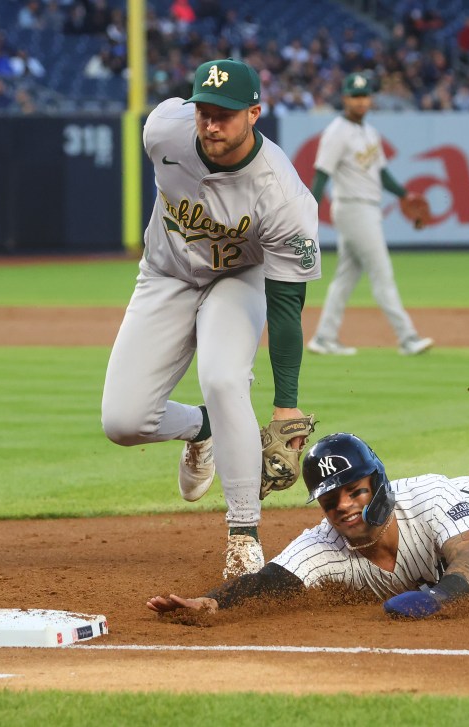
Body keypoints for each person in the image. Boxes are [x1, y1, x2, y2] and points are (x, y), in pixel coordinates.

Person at [102, 58, 321, 580]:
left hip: (239, 278)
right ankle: (203, 429)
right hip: (165, 273)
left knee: (224, 379)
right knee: (124, 422)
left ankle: (243, 534)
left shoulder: (283, 194)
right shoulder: (163, 130)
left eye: (224, 113)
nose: (211, 123)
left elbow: (287, 307)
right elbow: (177, 123)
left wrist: (286, 406)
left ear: (254, 113)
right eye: (203, 110)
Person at [147, 433, 469, 618]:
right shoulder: (324, 544)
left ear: (378, 482)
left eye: (356, 490)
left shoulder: (427, 496)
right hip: (467, 511)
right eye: (332, 501)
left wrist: (437, 599)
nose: (347, 507)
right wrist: (211, 601)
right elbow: (273, 580)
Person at [306, 73, 433, 357]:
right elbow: (321, 175)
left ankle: (324, 337)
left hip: (366, 207)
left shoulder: (370, 132)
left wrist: (403, 194)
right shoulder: (336, 132)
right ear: (345, 98)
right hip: (353, 207)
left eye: (365, 96)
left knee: (346, 276)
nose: (361, 101)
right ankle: (408, 337)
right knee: (382, 272)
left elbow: (382, 173)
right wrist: (306, 212)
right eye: (355, 96)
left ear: (371, 99)